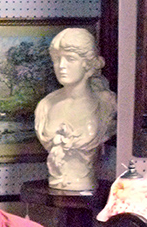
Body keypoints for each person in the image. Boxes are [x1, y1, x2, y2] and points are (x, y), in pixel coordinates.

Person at [35, 28, 116, 192]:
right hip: (55, 185)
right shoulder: (46, 105)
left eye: (70, 59)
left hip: (86, 183)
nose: (61, 66)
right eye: (57, 59)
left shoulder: (106, 103)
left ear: (87, 63)